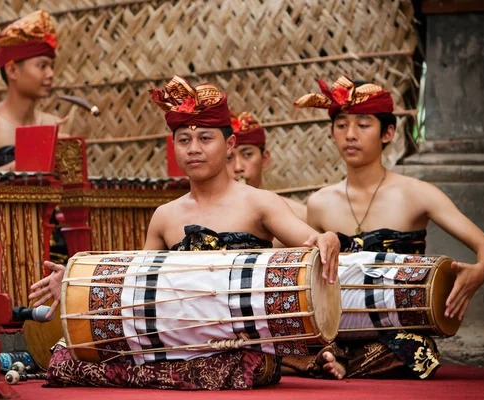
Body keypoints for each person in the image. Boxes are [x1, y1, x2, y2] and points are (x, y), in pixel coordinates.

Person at [29, 75, 341, 389]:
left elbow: (309, 240)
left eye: (205, 139)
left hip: (239, 348)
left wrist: (325, 238)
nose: (194, 149)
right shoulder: (165, 216)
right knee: (64, 358)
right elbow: (136, 293)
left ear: (229, 144)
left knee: (240, 365)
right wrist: (73, 289)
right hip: (177, 341)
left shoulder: (259, 203)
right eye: (184, 140)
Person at [282, 75, 484, 380]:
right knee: (282, 347)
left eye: (363, 124)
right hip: (338, 329)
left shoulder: (417, 194)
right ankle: (334, 359)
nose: (350, 134)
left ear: (387, 133)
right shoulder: (319, 202)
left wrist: (478, 273)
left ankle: (340, 365)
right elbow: (307, 274)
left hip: (395, 334)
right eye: (342, 124)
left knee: (419, 351)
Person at [0, 10, 66, 171]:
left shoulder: (53, 123)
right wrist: (31, 157)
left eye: (52, 66)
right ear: (12, 70)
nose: (51, 74)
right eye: (42, 66)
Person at [226, 111, 306, 248]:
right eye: (229, 158)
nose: (238, 167)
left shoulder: (299, 216)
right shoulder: (213, 219)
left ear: (265, 159)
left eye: (247, 154)